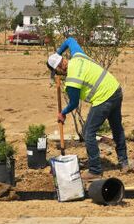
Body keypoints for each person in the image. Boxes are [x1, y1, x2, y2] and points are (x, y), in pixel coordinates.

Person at [47, 46, 128, 176]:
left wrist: (63, 113)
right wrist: (58, 53)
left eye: (56, 72)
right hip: (115, 90)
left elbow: (73, 103)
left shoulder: (71, 81)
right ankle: (124, 163)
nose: (58, 75)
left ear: (58, 68)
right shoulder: (78, 56)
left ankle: (95, 170)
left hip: (103, 99)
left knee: (88, 133)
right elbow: (70, 40)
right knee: (117, 128)